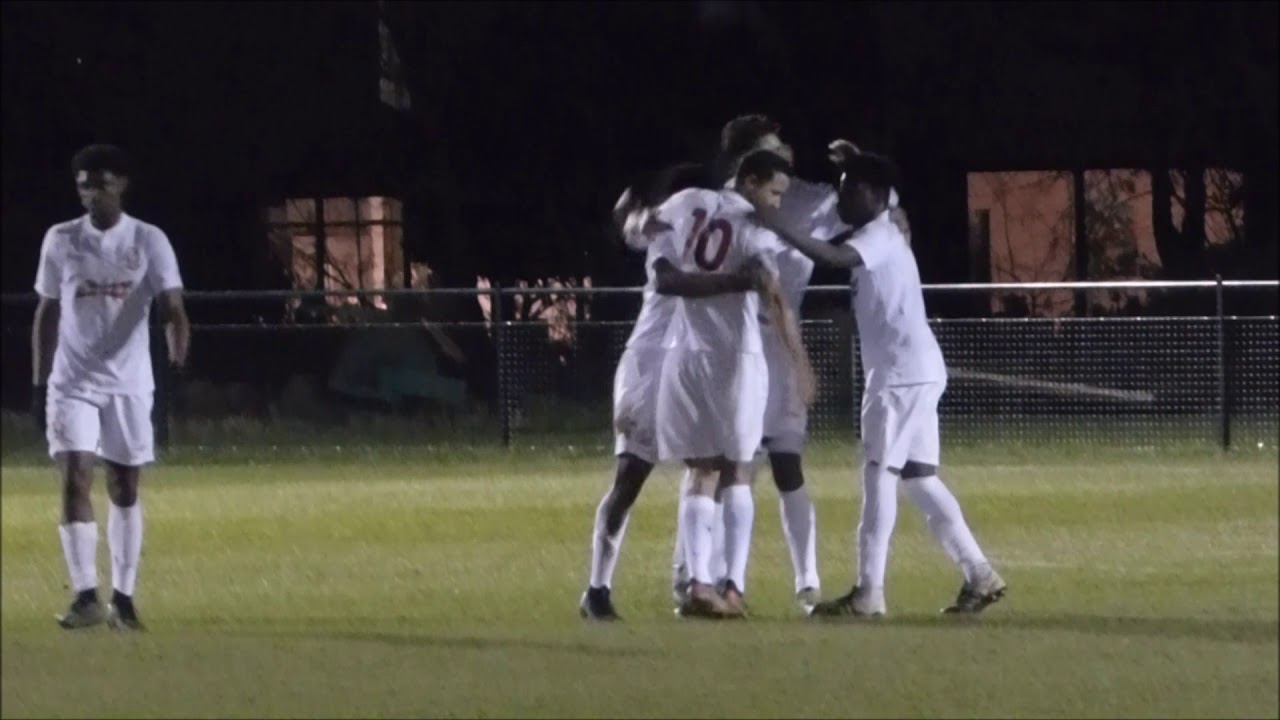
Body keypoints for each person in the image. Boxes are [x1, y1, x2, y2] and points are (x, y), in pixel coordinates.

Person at [756, 149, 1006, 617]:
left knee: (879, 479)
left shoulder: (877, 235)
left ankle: (869, 594)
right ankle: (979, 573)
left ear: (871, 195)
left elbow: (831, 254)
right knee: (919, 479)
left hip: (897, 377)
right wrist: (856, 158)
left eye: (850, 187)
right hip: (916, 370)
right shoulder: (885, 224)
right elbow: (883, 195)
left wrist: (775, 223)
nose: (842, 196)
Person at [31, 144, 190, 631]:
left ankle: (123, 598)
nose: (89, 192)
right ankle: (85, 596)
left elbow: (174, 310)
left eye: (98, 182)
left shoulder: (148, 241)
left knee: (123, 486)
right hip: (73, 381)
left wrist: (177, 365)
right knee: (75, 475)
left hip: (129, 383)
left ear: (121, 184)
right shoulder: (60, 240)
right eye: (82, 183)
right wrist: (39, 384)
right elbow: (47, 312)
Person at [654, 149, 814, 618]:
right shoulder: (753, 226)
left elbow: (654, 255)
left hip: (684, 354)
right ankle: (733, 588)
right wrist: (799, 362)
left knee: (700, 470)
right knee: (738, 469)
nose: (776, 204)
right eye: (773, 191)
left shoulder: (685, 202)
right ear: (748, 181)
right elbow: (772, 290)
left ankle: (698, 585)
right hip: (735, 359)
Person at [578, 162, 739, 621]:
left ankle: (692, 581)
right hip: (648, 368)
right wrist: (631, 214)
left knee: (709, 469)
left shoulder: (707, 236)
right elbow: (630, 227)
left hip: (689, 366)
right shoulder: (665, 227)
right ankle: (597, 589)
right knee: (629, 479)